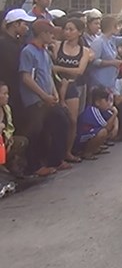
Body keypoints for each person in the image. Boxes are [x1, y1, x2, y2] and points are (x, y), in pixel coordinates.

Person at [19, 20, 70, 176]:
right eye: (49, 33)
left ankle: (55, 159)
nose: (52, 36)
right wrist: (43, 95)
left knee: (62, 121)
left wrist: (54, 94)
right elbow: (26, 78)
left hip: (48, 98)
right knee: (36, 132)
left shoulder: (44, 52)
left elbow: (48, 74)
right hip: (35, 100)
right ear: (42, 34)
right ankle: (33, 166)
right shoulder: (28, 51)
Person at [52, 18, 92, 164]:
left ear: (79, 32)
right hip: (56, 86)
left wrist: (60, 68)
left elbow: (79, 71)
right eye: (66, 29)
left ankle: (68, 151)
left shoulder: (84, 51)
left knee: (72, 120)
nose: (67, 32)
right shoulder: (57, 45)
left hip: (74, 86)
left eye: (71, 29)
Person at [0, 9, 37, 134]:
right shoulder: (3, 44)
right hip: (8, 91)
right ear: (16, 24)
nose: (27, 28)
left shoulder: (20, 43)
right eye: (25, 24)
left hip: (19, 92)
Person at [74, 87, 118, 160]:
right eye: (106, 100)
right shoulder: (93, 110)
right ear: (97, 102)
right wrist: (115, 113)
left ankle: (95, 148)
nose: (108, 103)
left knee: (106, 128)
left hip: (89, 134)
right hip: (80, 139)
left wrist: (115, 127)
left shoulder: (103, 110)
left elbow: (114, 120)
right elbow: (107, 127)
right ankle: (87, 153)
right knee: (103, 132)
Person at [87, 16, 122, 91]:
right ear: (113, 27)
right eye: (117, 26)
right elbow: (93, 61)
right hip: (100, 82)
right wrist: (112, 63)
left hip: (110, 81)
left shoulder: (112, 39)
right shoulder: (98, 42)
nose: (119, 28)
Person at [0, 81, 28, 176]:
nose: (7, 96)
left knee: (21, 141)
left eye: (7, 93)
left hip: (5, 140)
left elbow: (10, 127)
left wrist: (9, 138)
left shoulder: (6, 108)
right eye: (4, 94)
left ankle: (13, 169)